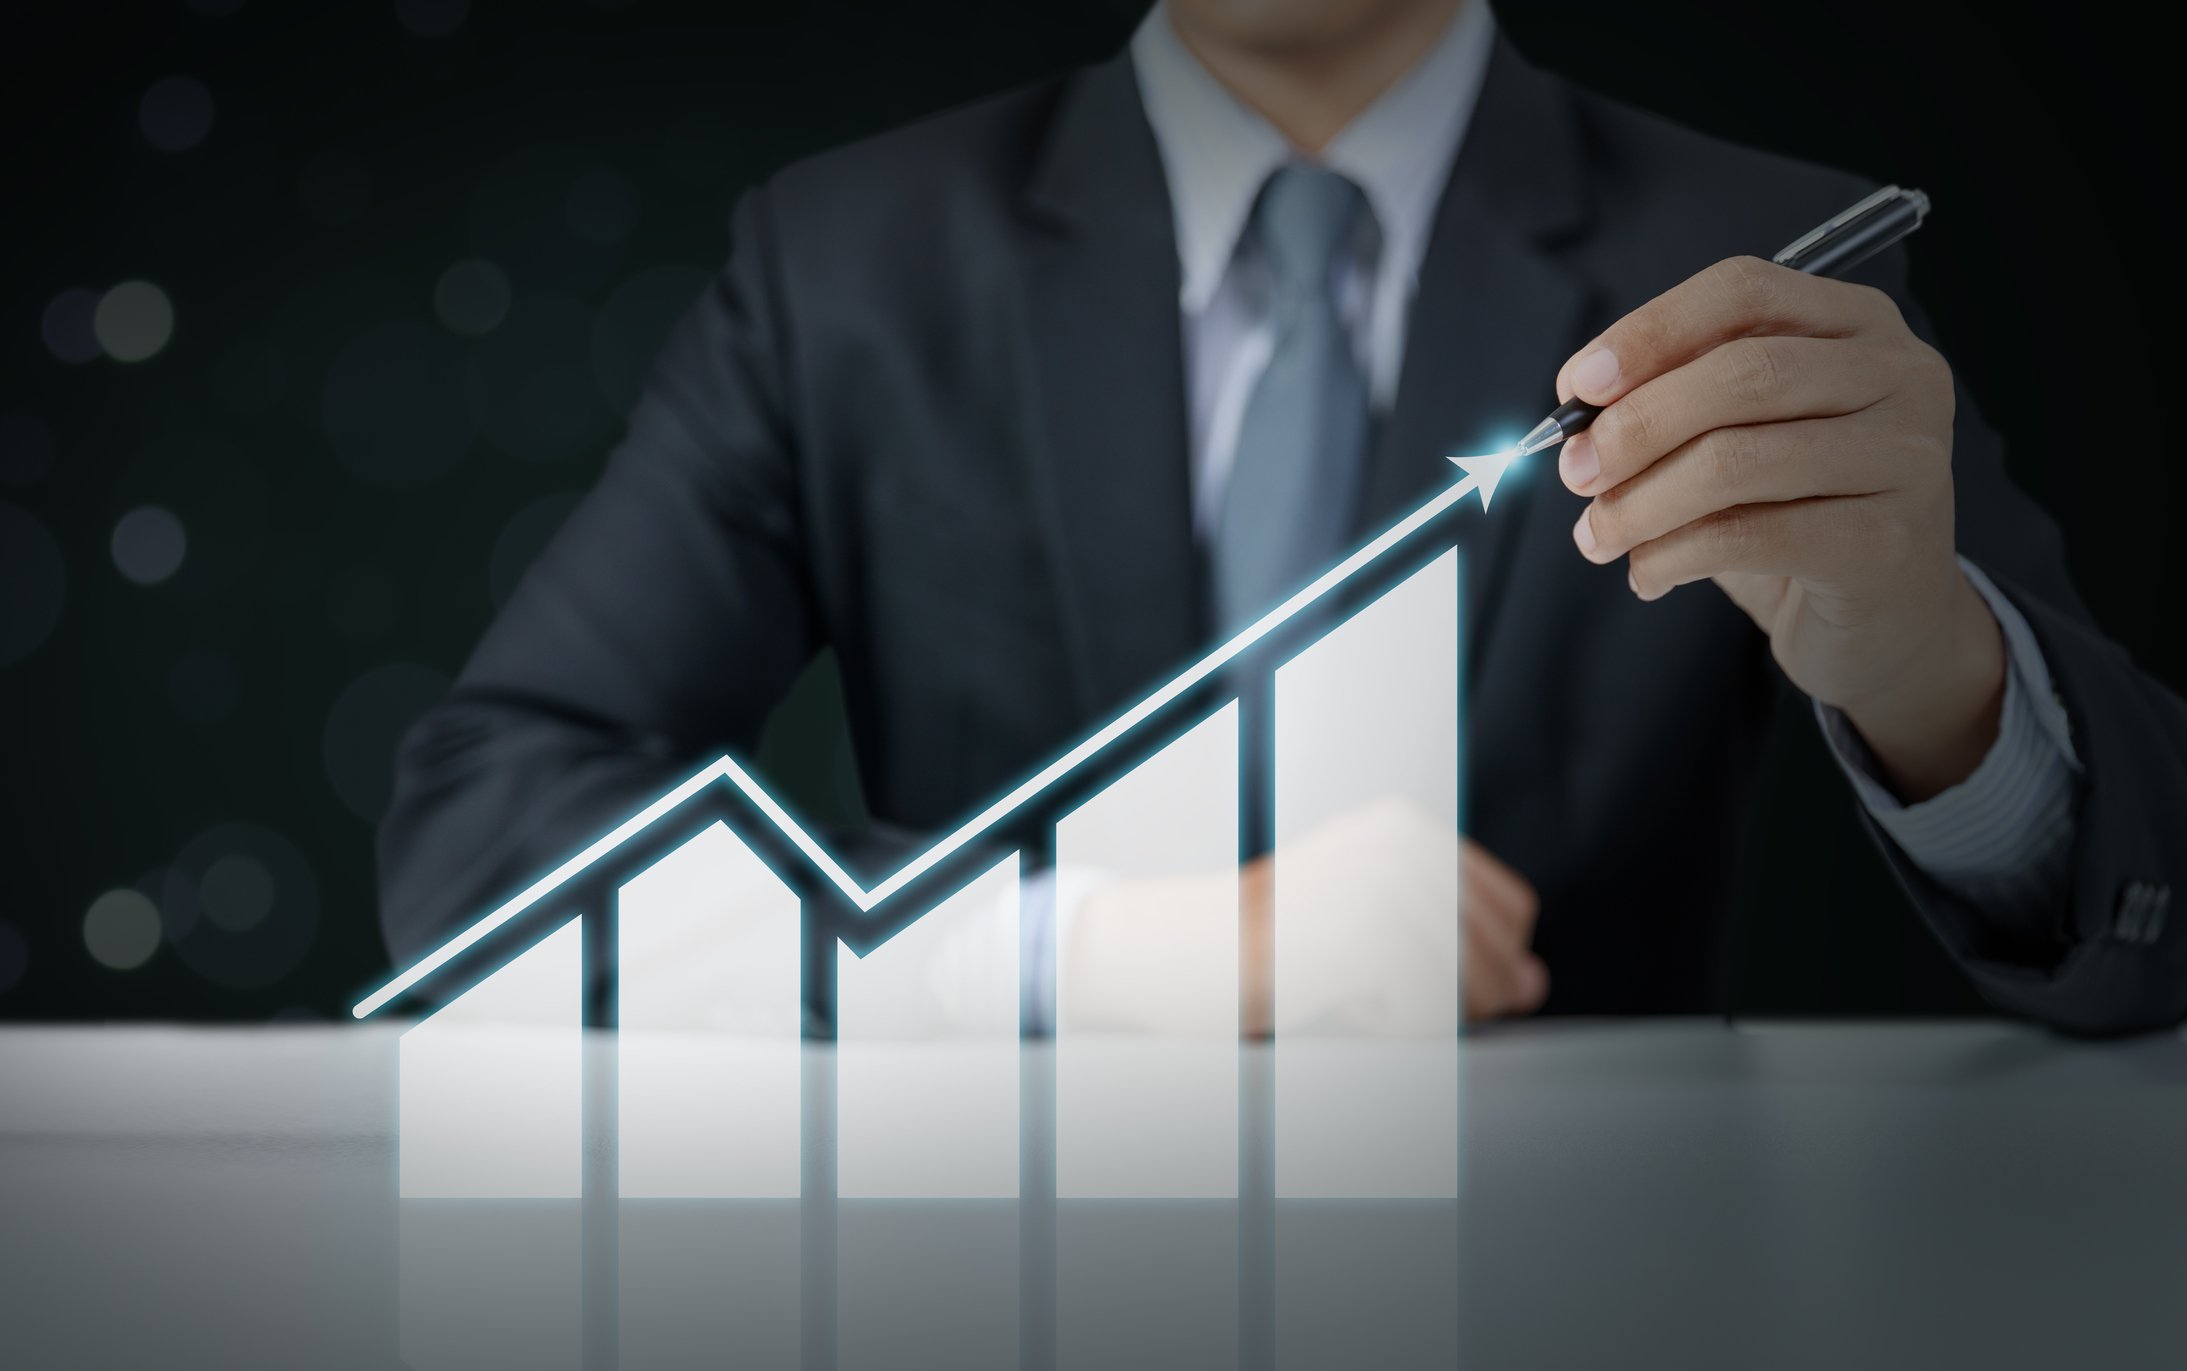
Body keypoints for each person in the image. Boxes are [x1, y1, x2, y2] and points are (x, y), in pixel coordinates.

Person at [378, 0, 2187, 1034]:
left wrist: (1930, 669)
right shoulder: (849, 264)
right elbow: (489, 847)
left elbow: (2143, 909)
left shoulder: (1767, 266)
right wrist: (1104, 952)